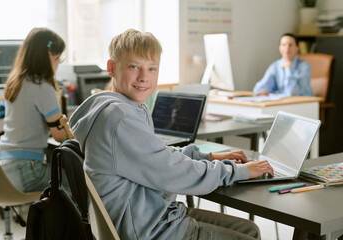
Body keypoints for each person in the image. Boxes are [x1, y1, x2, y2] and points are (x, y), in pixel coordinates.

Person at [69, 29, 273, 240]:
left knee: (251, 230)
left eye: (152, 68)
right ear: (111, 68)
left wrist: (207, 157)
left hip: (151, 216)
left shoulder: (126, 107)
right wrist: (238, 171)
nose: (143, 77)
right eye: (133, 67)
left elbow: (158, 156)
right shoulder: (121, 118)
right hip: (151, 230)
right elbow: (175, 173)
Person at [0, 27, 70, 192]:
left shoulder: (17, 81)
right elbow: (59, 135)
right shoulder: (42, 86)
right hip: (25, 168)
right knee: (74, 182)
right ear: (51, 55)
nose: (58, 64)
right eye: (59, 59)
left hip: (0, 169)